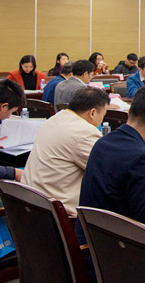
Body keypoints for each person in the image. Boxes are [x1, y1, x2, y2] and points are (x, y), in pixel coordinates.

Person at [78, 85, 145, 236]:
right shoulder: (143, 158)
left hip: (92, 233)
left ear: (129, 112)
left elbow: (119, 180)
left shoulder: (104, 142)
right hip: (116, 241)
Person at [21, 88, 109, 217]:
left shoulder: (55, 119)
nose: (101, 120)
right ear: (93, 113)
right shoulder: (84, 132)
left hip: (33, 205)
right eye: (103, 115)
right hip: (61, 215)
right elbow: (108, 172)